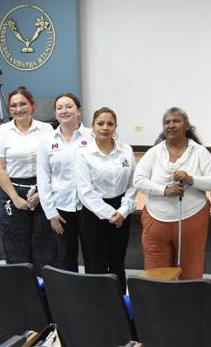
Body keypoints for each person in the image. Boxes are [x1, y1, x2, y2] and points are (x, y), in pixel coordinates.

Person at [134, 108, 211, 279]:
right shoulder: (154, 152)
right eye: (167, 122)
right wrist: (164, 190)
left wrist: (191, 179)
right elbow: (138, 180)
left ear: (187, 125)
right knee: (156, 275)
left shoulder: (200, 152)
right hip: (156, 222)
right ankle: (159, 298)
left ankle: (187, 298)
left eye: (176, 121)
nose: (171, 125)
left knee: (190, 272)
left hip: (192, 220)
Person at [0, 86, 55, 274]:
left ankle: (43, 287)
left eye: (23, 104)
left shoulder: (46, 129)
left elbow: (53, 164)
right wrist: (15, 198)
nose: (18, 109)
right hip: (11, 190)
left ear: (32, 105)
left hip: (41, 189)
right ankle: (20, 287)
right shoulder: (2, 131)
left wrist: (42, 194)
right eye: (13, 106)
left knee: (43, 243)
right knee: (15, 245)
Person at [74, 107, 137, 292]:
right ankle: (97, 304)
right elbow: (85, 191)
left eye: (110, 124)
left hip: (121, 211)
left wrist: (123, 212)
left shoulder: (126, 150)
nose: (105, 127)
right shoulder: (83, 153)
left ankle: (119, 303)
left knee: (117, 261)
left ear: (115, 127)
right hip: (94, 212)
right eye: (100, 123)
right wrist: (110, 214)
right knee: (95, 262)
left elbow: (133, 184)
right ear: (92, 126)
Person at [36, 92, 92, 271]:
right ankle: (70, 290)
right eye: (59, 108)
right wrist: (50, 213)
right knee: (66, 257)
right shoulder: (46, 141)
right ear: (55, 113)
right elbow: (43, 179)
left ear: (79, 111)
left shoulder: (92, 137)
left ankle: (95, 289)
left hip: (90, 208)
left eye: (69, 106)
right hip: (61, 209)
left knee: (93, 255)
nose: (64, 111)